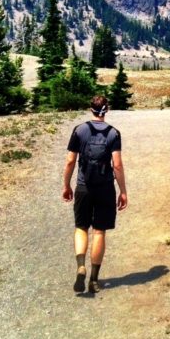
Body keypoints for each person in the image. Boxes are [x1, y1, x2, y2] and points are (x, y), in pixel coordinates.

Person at [62, 95, 127, 293]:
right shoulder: (114, 134)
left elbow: (70, 161)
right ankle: (94, 280)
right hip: (105, 187)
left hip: (83, 186)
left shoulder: (79, 130)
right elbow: (117, 165)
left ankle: (80, 266)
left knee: (81, 227)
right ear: (106, 110)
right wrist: (123, 191)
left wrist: (66, 185)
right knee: (99, 231)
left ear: (91, 109)